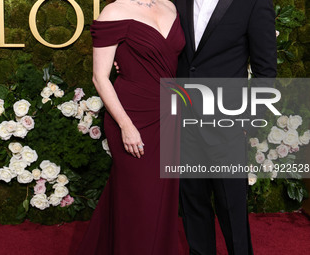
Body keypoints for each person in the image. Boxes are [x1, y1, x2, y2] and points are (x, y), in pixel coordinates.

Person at [75, 0, 185, 254]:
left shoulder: (170, 5)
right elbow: (99, 77)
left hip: (169, 115)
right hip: (132, 115)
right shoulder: (114, 11)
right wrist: (126, 125)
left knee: (161, 201)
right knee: (139, 200)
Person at [175, 0, 277, 254]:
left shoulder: (253, 3)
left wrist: (247, 122)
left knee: (232, 211)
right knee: (192, 207)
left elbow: (266, 71)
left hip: (227, 125)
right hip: (182, 123)